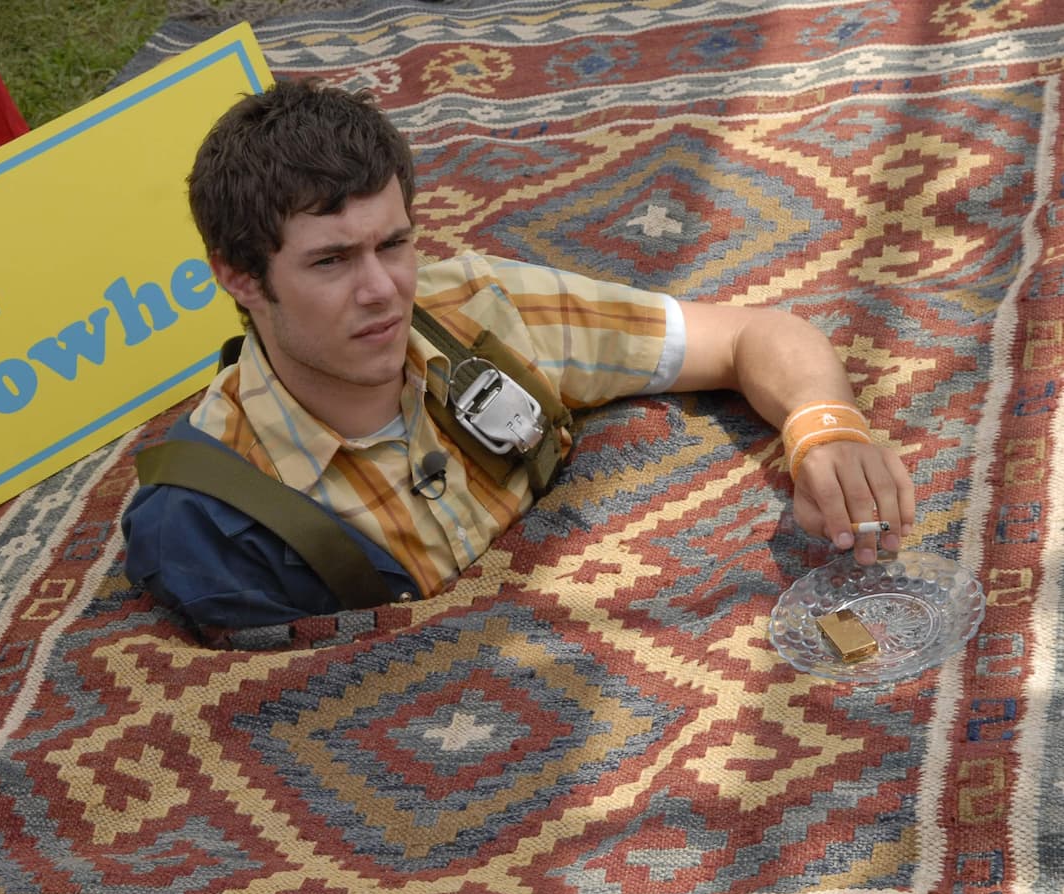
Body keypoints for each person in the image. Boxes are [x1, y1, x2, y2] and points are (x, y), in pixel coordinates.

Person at [120, 78, 915, 638]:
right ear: (239, 276)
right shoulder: (206, 526)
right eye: (331, 262)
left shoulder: (479, 309)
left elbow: (749, 336)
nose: (383, 292)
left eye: (394, 244)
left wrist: (826, 429)